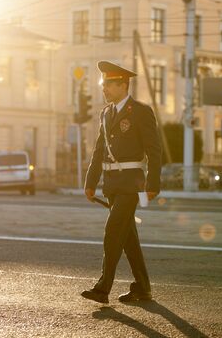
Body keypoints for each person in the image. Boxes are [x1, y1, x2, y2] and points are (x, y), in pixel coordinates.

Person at [81, 60, 162, 304]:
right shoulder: (106, 113)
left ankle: (102, 288)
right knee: (128, 238)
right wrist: (90, 181)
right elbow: (98, 150)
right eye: (102, 84)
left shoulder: (140, 111)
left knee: (113, 230)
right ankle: (143, 288)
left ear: (123, 84)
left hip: (131, 183)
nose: (103, 88)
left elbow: (154, 149)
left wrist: (153, 184)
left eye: (108, 84)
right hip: (112, 185)